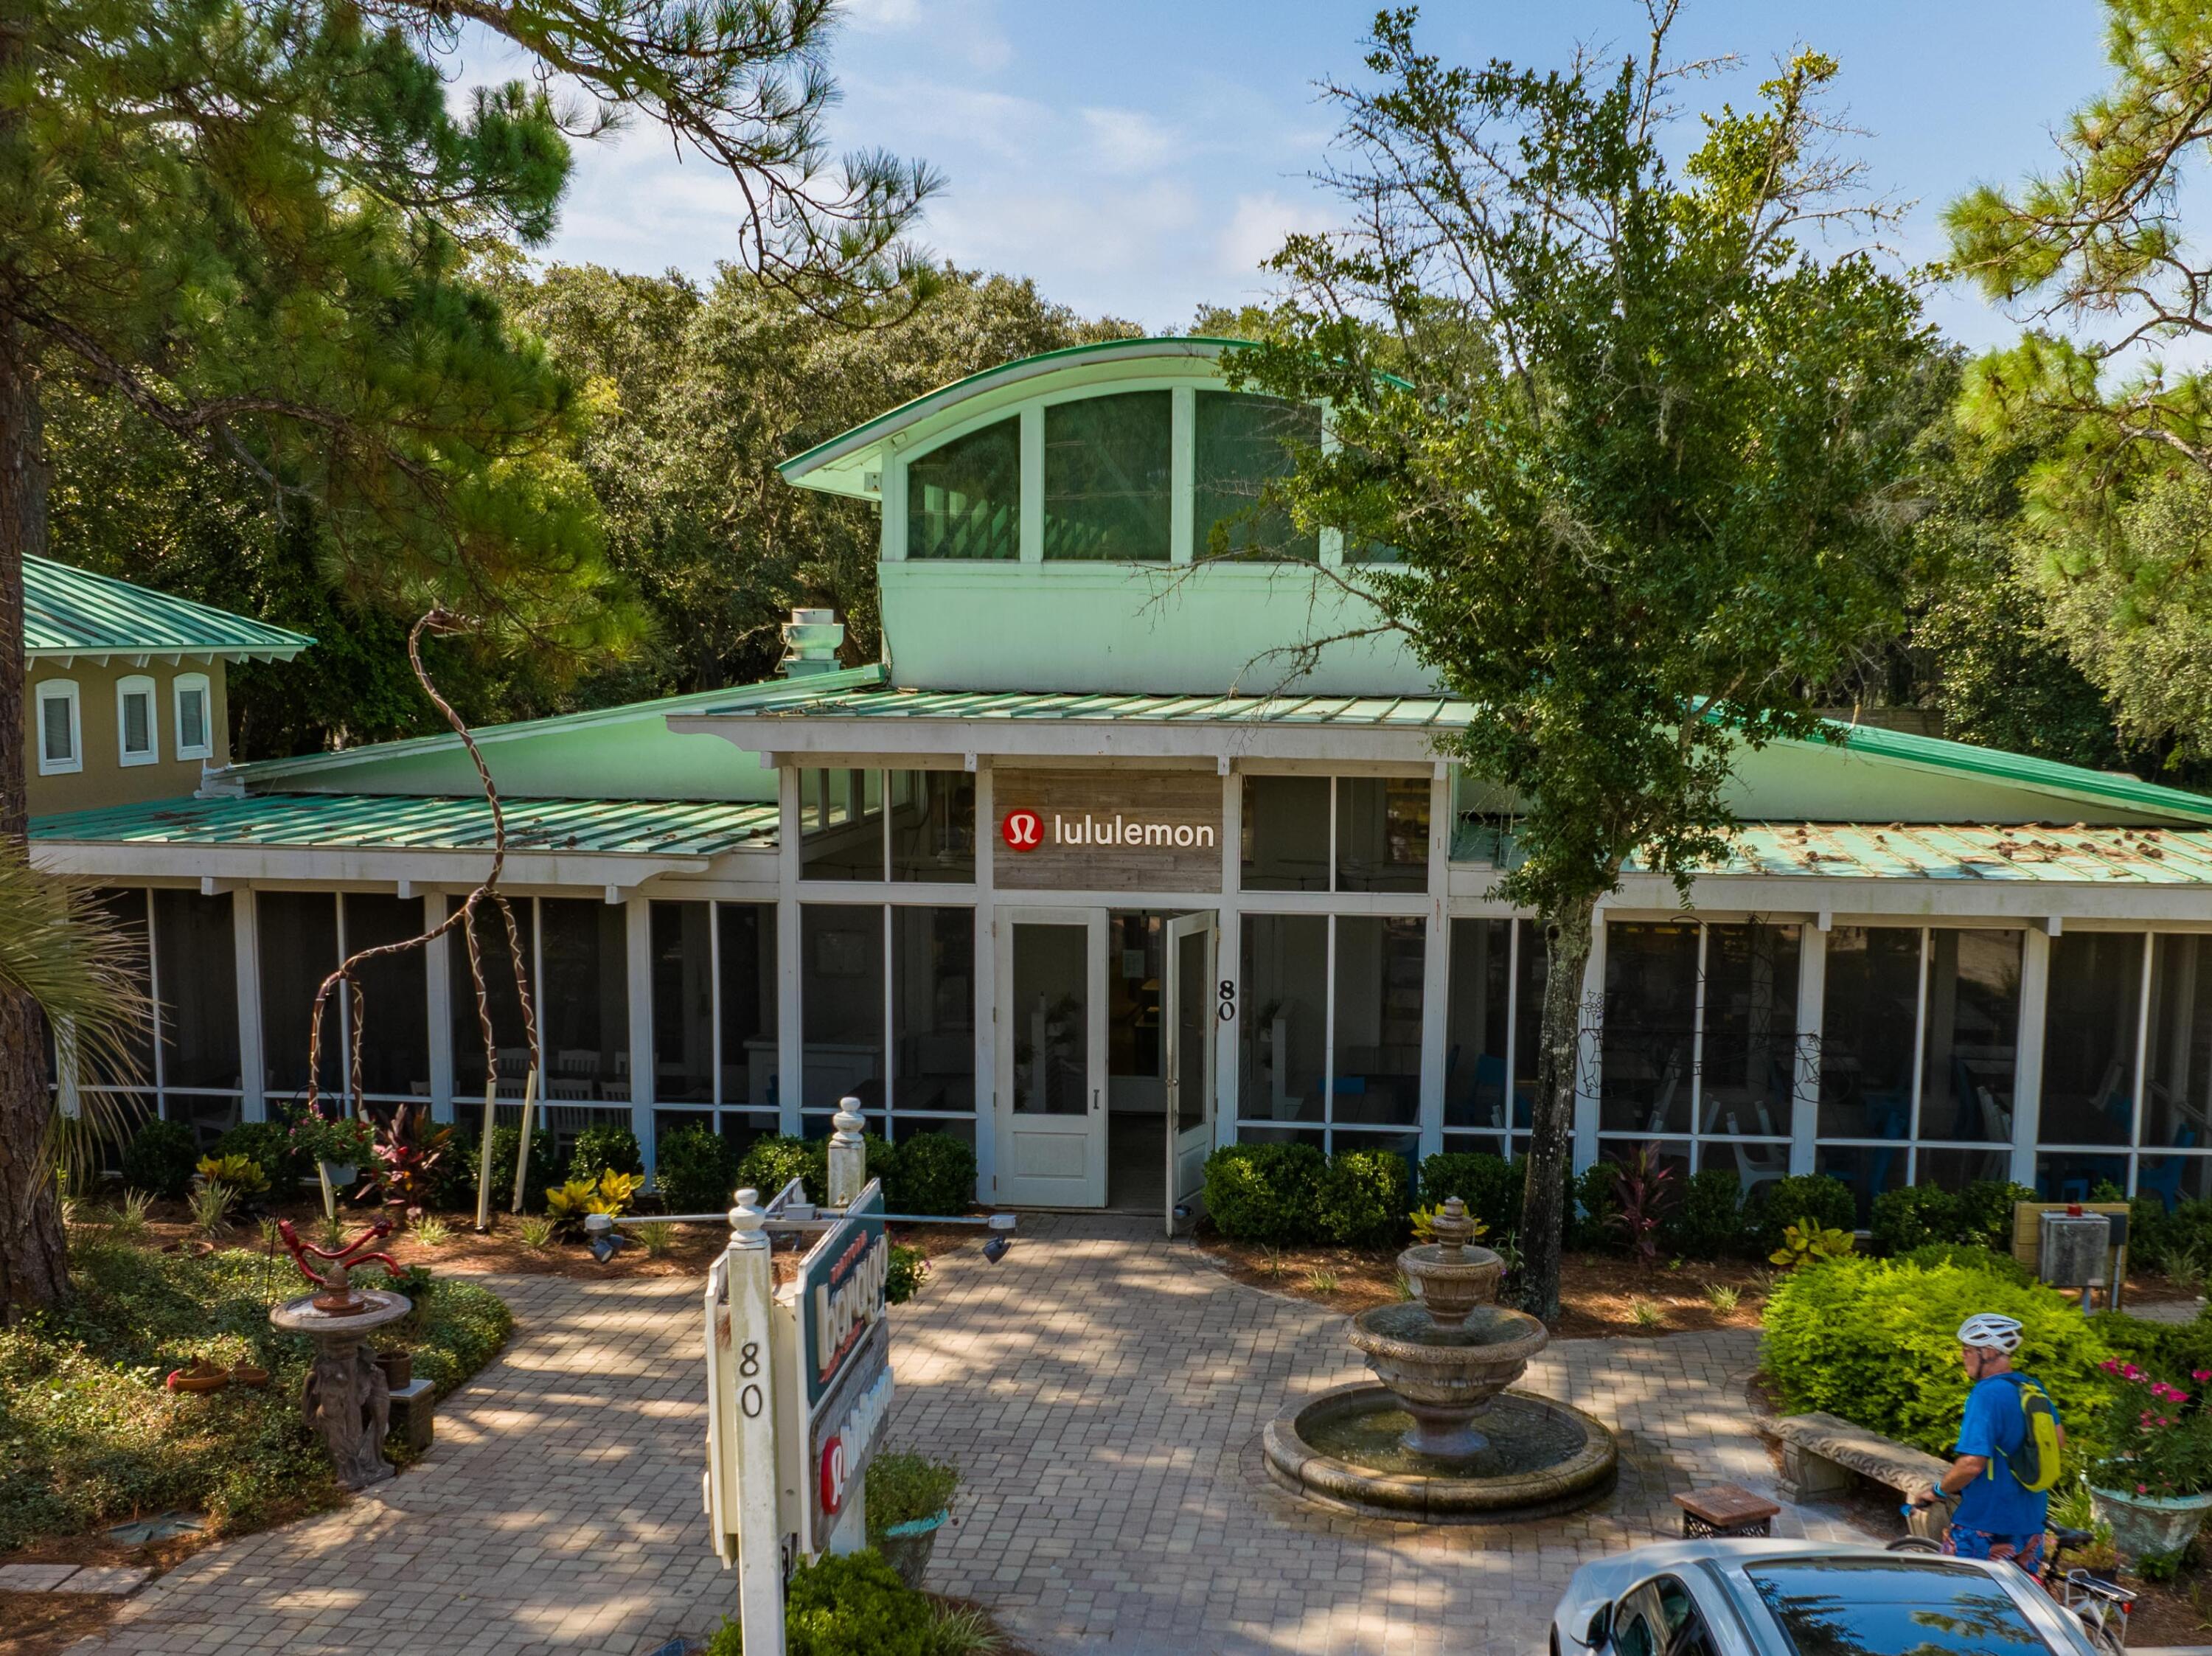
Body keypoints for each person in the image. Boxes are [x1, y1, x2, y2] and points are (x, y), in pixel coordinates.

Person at [1909, 1312, 2065, 1572]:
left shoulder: (1986, 1394)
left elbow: (1971, 1464)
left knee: (1959, 1601)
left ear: (1989, 1352)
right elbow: (2058, 1441)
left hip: (1986, 1523)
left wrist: (1937, 1491)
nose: (1962, 1355)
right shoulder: (2032, 1388)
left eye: (1967, 1349)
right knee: (2015, 1606)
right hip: (2031, 1523)